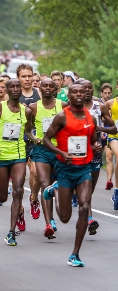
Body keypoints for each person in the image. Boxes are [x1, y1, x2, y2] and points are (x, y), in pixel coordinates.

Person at [43, 83, 100, 267]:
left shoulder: (91, 118)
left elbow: (90, 142)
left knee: (84, 207)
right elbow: (46, 139)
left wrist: (95, 146)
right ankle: (55, 189)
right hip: (65, 169)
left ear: (86, 94)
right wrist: (61, 153)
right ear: (69, 95)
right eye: (74, 91)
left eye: (81, 92)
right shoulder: (62, 116)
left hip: (84, 168)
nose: (78, 94)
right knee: (65, 218)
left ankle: (75, 254)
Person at [0, 79, 33, 246]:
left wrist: (35, 139)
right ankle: (12, 207)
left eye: (18, 86)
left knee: (18, 190)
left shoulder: (26, 111)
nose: (16, 89)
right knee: (3, 197)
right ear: (8, 90)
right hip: (2, 155)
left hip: (19, 155)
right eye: (13, 87)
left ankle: (11, 232)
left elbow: (28, 131)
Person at [27, 78, 68, 239]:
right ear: (40, 88)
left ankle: (53, 216)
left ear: (55, 88)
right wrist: (34, 138)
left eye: (51, 85)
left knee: (57, 185)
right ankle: (48, 223)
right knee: (45, 183)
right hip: (42, 150)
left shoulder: (63, 106)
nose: (48, 88)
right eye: (45, 85)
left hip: (59, 150)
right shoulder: (33, 108)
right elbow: (28, 130)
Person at [81, 80, 117, 234]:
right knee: (84, 184)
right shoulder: (70, 107)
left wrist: (99, 128)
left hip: (95, 151)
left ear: (92, 90)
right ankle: (89, 218)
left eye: (90, 88)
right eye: (84, 88)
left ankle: (86, 214)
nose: (87, 91)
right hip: (77, 152)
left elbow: (113, 127)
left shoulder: (99, 106)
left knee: (90, 188)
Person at [18, 64, 42, 223]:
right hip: (17, 140)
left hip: (35, 138)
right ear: (18, 78)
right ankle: (19, 209)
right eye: (24, 76)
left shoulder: (39, 94)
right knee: (19, 178)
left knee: (35, 172)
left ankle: (34, 198)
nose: (27, 79)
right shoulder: (12, 94)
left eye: (29, 76)